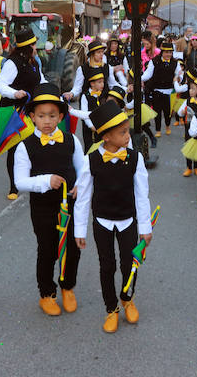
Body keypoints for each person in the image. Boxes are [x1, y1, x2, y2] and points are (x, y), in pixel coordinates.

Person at [74, 100, 153, 333]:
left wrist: (145, 227)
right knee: (106, 266)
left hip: (128, 220)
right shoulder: (92, 161)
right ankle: (111, 308)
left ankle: (127, 298)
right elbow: (83, 198)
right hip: (102, 222)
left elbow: (142, 195)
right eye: (122, 132)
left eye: (127, 130)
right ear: (106, 137)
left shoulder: (136, 159)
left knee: (130, 264)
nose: (128, 136)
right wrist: (80, 230)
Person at [12, 83, 88, 317]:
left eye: (52, 115)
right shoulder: (25, 147)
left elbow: (83, 169)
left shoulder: (71, 140)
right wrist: (45, 181)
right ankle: (46, 293)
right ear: (32, 117)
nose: (47, 121)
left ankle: (67, 286)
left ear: (61, 116)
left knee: (72, 249)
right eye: (42, 116)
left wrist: (78, 186)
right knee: (47, 250)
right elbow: (20, 182)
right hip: (43, 207)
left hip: (70, 206)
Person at [0, 28, 48, 200]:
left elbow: (41, 80)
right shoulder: (13, 62)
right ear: (27, 46)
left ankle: (33, 180)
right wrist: (14, 93)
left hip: (31, 109)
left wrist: (54, 93)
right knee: (15, 149)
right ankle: (14, 187)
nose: (36, 46)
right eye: (34, 44)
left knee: (36, 145)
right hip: (14, 112)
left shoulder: (34, 61)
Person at [140, 41, 180, 137]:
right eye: (166, 52)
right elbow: (147, 74)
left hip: (169, 91)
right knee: (157, 111)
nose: (168, 54)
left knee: (167, 112)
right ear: (162, 52)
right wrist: (138, 79)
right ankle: (158, 130)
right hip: (156, 90)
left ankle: (167, 125)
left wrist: (179, 78)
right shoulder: (154, 61)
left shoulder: (175, 63)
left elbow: (179, 74)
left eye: (170, 52)